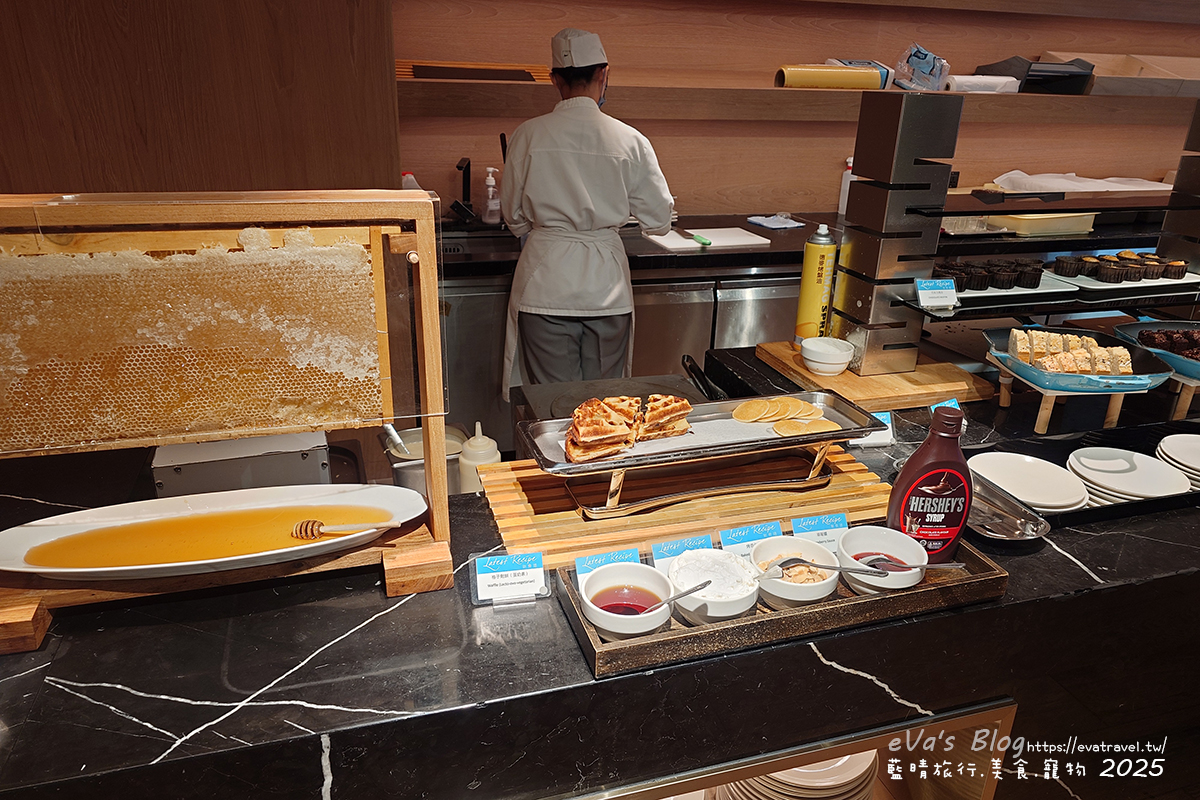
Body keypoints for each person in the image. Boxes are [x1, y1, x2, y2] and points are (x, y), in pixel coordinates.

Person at [500, 27, 674, 399]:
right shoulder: (631, 140)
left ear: (554, 80)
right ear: (604, 73)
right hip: (606, 290)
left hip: (544, 282)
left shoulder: (527, 135)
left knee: (552, 403)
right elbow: (659, 220)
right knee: (606, 401)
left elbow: (513, 215)